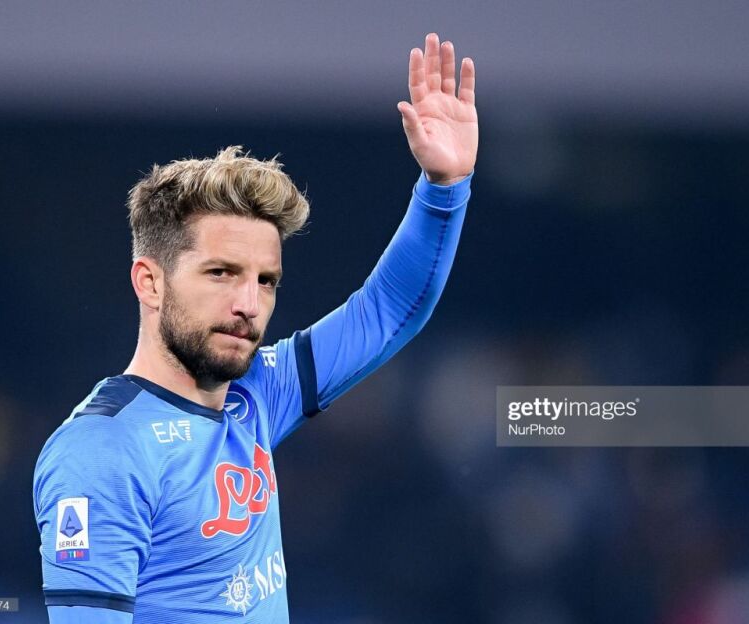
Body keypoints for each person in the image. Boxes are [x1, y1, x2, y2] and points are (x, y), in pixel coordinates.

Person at [32, 33, 477, 623]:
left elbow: (387, 309)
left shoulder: (257, 395)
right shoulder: (102, 451)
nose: (249, 304)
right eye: (221, 273)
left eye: (266, 280)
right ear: (150, 282)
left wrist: (443, 189)